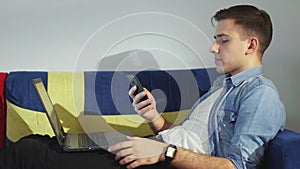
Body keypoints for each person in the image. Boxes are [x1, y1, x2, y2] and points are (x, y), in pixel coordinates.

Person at [0, 4, 286, 169]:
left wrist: (165, 152)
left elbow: (236, 167)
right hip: (160, 152)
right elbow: (189, 139)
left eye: (223, 40)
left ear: (251, 45)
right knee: (38, 142)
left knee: (31, 156)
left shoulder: (260, 95)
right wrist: (155, 119)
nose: (213, 47)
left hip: (165, 162)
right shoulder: (221, 86)